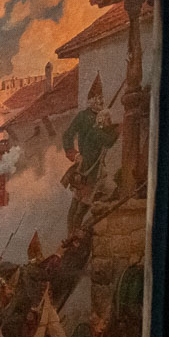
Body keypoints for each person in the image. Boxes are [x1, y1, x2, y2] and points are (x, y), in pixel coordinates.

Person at [62, 74, 119, 233]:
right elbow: (67, 136)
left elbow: (107, 140)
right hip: (86, 168)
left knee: (104, 196)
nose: (101, 101)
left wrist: (108, 123)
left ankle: (76, 235)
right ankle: (71, 237)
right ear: (91, 100)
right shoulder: (82, 116)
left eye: (102, 98)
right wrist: (75, 155)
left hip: (98, 167)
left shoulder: (102, 118)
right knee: (76, 206)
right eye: (98, 98)